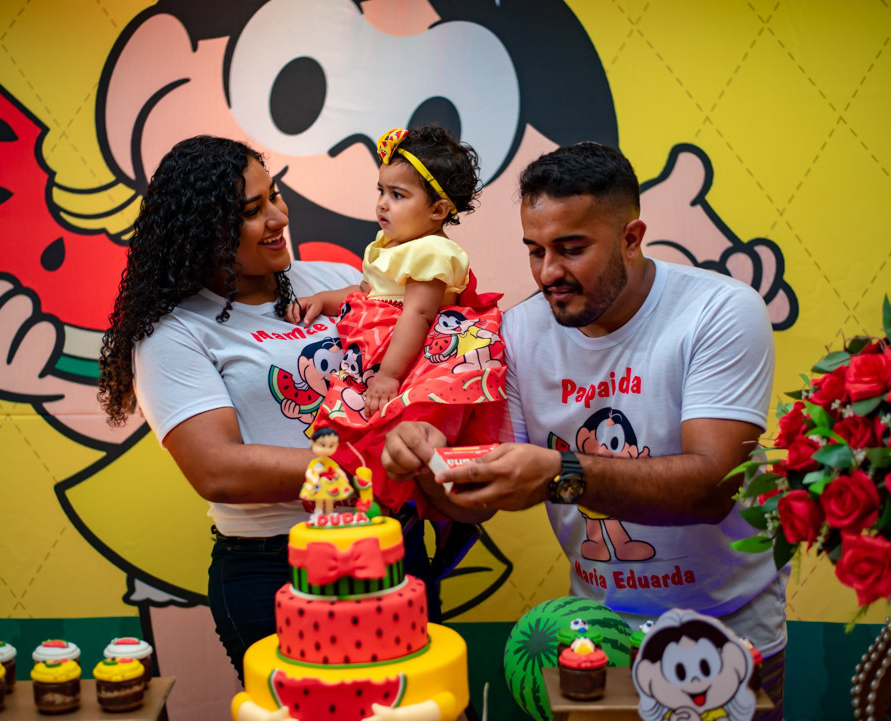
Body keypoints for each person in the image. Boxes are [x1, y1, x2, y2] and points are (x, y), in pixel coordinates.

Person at [382, 142, 788, 718]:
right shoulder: (517, 332)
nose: (549, 273)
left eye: (571, 249)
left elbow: (712, 487)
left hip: (727, 629)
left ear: (631, 237)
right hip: (593, 633)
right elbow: (479, 504)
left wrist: (561, 473)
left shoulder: (719, 310)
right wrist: (430, 464)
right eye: (535, 250)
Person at [97, 136, 485, 681]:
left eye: (274, 195)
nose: (278, 217)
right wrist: (374, 465)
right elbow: (218, 470)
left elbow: (428, 345)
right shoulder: (175, 333)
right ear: (202, 231)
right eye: (251, 211)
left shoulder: (330, 279)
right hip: (276, 566)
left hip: (390, 544)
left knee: (415, 706)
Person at [286, 125, 509, 521]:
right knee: (365, 427)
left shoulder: (432, 251)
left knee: (398, 428)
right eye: (381, 191)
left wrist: (389, 376)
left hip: (409, 358)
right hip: (379, 349)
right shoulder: (391, 246)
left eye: (398, 195)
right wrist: (323, 299)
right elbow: (365, 293)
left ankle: (398, 501)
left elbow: (418, 314)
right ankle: (371, 495)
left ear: (438, 210)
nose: (382, 205)